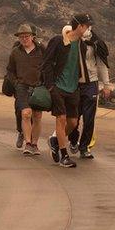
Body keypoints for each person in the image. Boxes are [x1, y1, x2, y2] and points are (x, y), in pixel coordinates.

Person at [41, 13, 92, 169]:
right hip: (58, 87)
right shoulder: (58, 41)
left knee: (73, 122)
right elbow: (47, 63)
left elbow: (81, 67)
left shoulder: (82, 46)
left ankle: (55, 141)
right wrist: (50, 86)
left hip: (73, 89)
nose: (88, 29)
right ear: (80, 26)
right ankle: (64, 156)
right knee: (61, 119)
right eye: (87, 26)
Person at [68, 26, 111, 159]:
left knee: (89, 117)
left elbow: (101, 64)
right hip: (74, 83)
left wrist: (106, 84)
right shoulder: (72, 41)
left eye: (87, 27)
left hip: (91, 83)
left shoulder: (96, 43)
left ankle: (84, 147)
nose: (85, 30)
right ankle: (73, 140)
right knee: (74, 116)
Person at [6, 24, 46, 156]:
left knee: (37, 116)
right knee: (26, 114)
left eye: (26, 36)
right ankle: (28, 144)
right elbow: (10, 71)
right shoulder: (15, 52)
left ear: (32, 36)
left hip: (38, 87)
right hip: (22, 87)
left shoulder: (41, 50)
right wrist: (16, 83)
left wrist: (46, 84)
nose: (24, 39)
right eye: (21, 37)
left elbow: (49, 66)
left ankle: (35, 144)